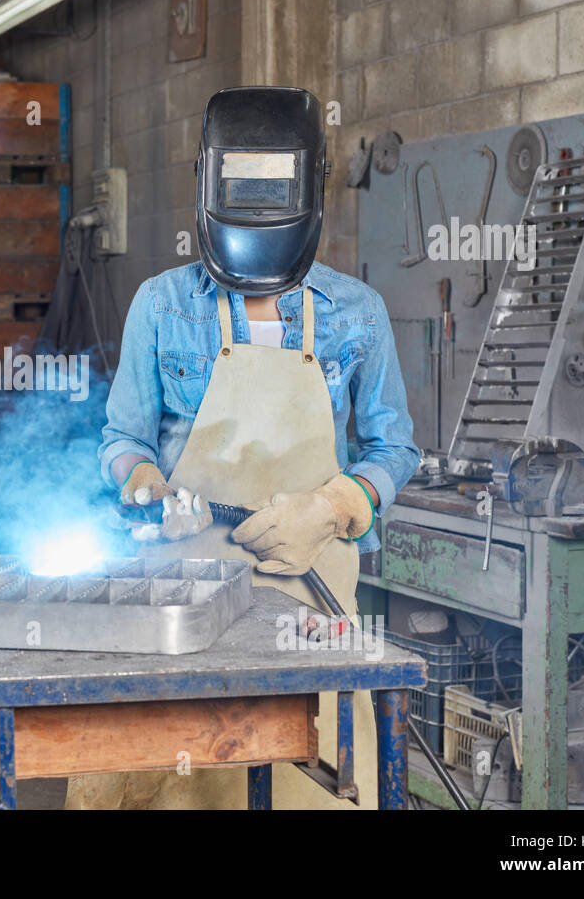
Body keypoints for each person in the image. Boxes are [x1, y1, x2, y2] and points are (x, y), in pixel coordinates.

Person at [69, 87, 419, 809]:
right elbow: (123, 439)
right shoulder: (162, 303)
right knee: (165, 781)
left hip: (309, 603)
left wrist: (333, 505)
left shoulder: (358, 312)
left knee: (316, 782)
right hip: (179, 590)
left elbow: (394, 447)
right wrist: (142, 484)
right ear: (208, 183)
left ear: (307, 187)